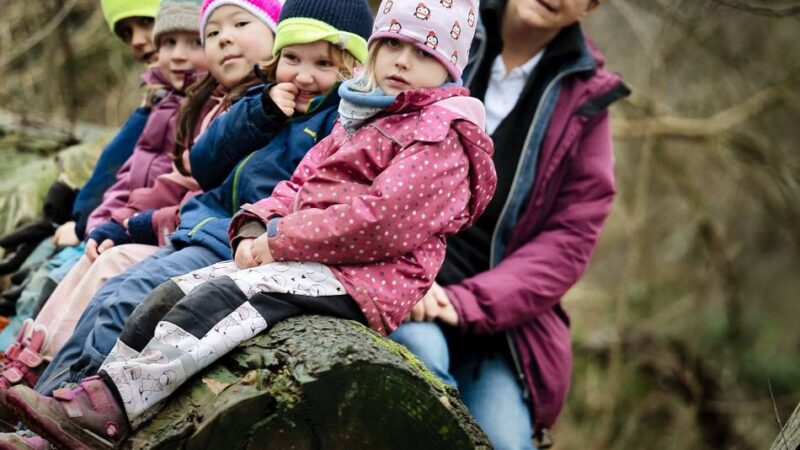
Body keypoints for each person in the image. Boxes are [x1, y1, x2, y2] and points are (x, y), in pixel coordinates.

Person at [4, 0, 497, 447]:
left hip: (364, 279)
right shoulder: (365, 113)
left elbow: (377, 223)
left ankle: (113, 409)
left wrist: (281, 240)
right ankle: (88, 409)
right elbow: (299, 182)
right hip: (310, 259)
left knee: (218, 303)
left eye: (422, 53)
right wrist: (256, 225)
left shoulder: (441, 135)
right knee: (171, 293)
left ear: (451, 67)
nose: (402, 61)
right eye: (391, 45)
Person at [388, 0, 631, 448]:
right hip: (402, 279)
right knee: (422, 365)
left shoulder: (586, 98)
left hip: (501, 326)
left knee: (504, 441)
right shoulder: (444, 26)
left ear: (591, 6)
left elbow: (569, 240)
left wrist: (465, 303)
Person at [0, 0, 209, 396]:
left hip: (162, 229)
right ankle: (21, 357)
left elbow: (180, 184)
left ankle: (44, 376)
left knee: (67, 269)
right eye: (128, 33)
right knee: (55, 265)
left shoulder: (201, 107)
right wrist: (97, 220)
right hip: (121, 220)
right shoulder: (161, 100)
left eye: (145, 24)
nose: (140, 40)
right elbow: (123, 174)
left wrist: (105, 225)